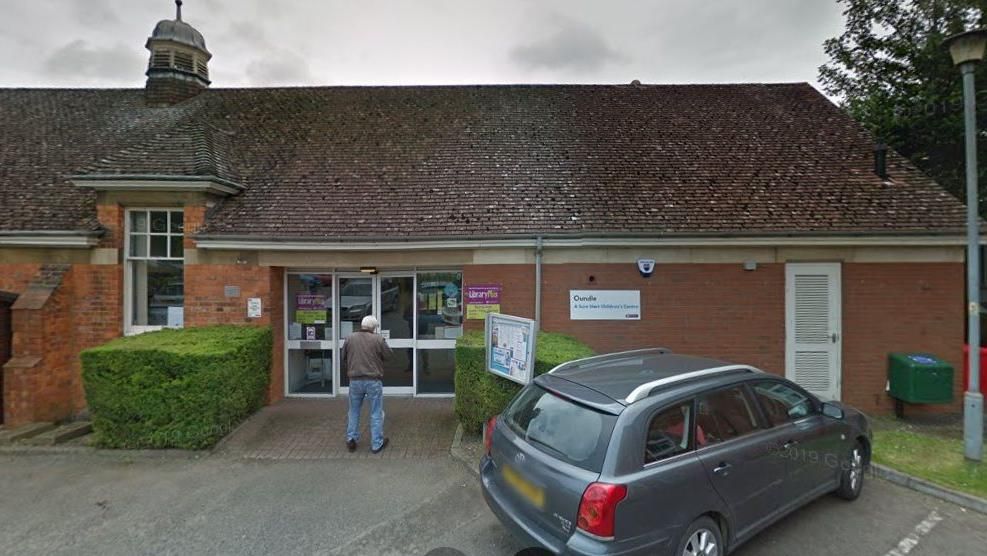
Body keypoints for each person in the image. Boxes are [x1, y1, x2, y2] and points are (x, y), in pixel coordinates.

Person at [342, 315, 392, 453]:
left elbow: (344, 357)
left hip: (355, 381)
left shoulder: (349, 338)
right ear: (373, 328)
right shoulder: (378, 339)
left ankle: (351, 438)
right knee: (376, 412)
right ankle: (376, 443)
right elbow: (388, 355)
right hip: (373, 381)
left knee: (353, 411)